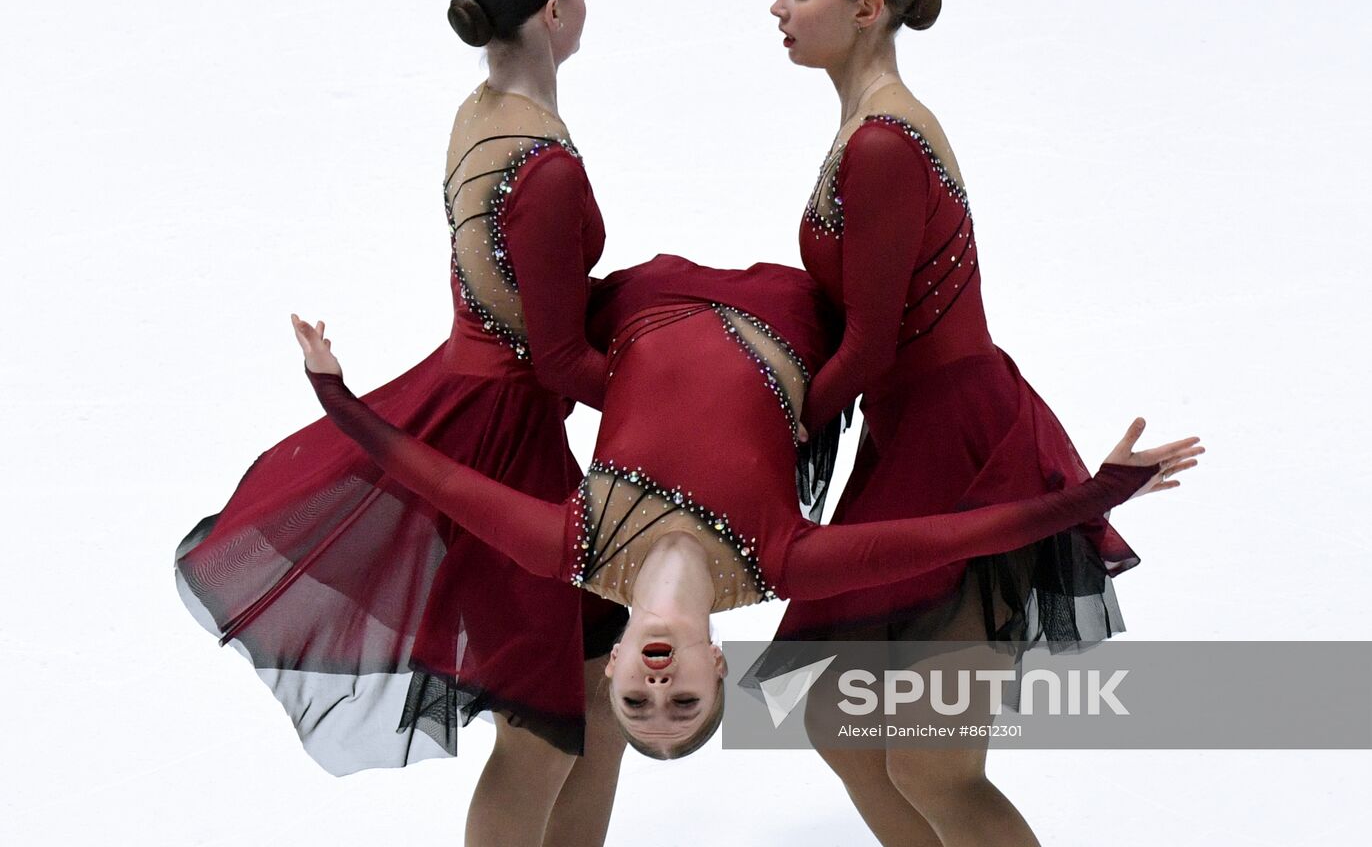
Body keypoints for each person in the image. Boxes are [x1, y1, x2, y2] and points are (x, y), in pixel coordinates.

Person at [290, 253, 1202, 761]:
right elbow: (959, 532)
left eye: (640, 702)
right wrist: (1093, 494)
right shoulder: (781, 560)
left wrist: (335, 395)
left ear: (608, 676)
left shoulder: (569, 546)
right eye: (679, 699)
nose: (655, 686)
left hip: (644, 300)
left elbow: (433, 476)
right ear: (717, 667)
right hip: (788, 312)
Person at [174, 0, 628, 847]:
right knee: (543, 733)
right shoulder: (541, 166)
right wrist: (688, 399)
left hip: (490, 420)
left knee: (598, 695)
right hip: (505, 455)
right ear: (550, 11)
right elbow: (559, 360)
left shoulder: (480, 113)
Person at [767, 0, 1171, 846]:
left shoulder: (882, 142)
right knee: (840, 718)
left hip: (961, 443)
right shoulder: (864, 125)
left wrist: (769, 434)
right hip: (911, 433)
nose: (778, 8)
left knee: (933, 759)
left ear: (867, 7)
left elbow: (867, 347)